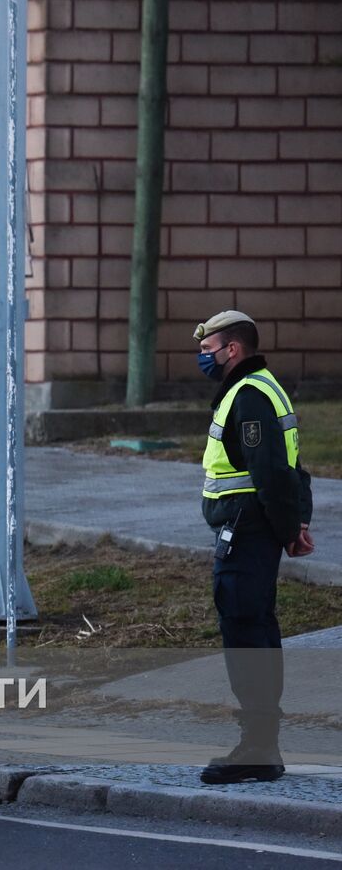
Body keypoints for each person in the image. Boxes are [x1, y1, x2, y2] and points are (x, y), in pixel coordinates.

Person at [193, 310, 314, 785]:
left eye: (208, 351)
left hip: (246, 530)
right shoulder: (261, 388)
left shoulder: (249, 397)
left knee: (245, 630)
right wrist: (295, 520)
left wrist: (289, 529)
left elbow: (269, 473)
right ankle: (263, 746)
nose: (203, 358)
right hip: (253, 529)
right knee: (256, 627)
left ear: (232, 350)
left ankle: (258, 748)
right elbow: (293, 467)